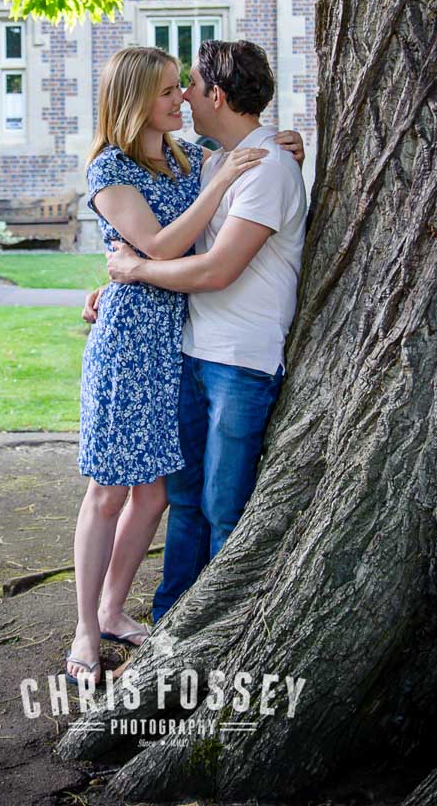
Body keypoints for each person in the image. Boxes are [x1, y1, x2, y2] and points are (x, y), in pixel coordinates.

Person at [66, 45, 276, 686]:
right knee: (107, 494)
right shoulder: (111, 169)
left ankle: (112, 609)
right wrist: (217, 183)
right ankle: (82, 631)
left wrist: (280, 141)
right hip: (129, 346)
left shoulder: (184, 155)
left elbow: (244, 152)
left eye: (181, 88)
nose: (181, 98)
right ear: (134, 102)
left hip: (175, 345)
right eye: (166, 91)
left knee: (154, 494)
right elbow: (159, 244)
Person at [105, 39, 308, 623]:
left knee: (224, 508)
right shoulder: (217, 159)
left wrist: (137, 270)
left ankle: (220, 631)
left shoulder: (266, 167)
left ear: (215, 94)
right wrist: (115, 284)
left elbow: (219, 269)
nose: (184, 97)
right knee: (186, 500)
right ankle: (173, 622)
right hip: (193, 351)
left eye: (188, 85)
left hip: (240, 363)